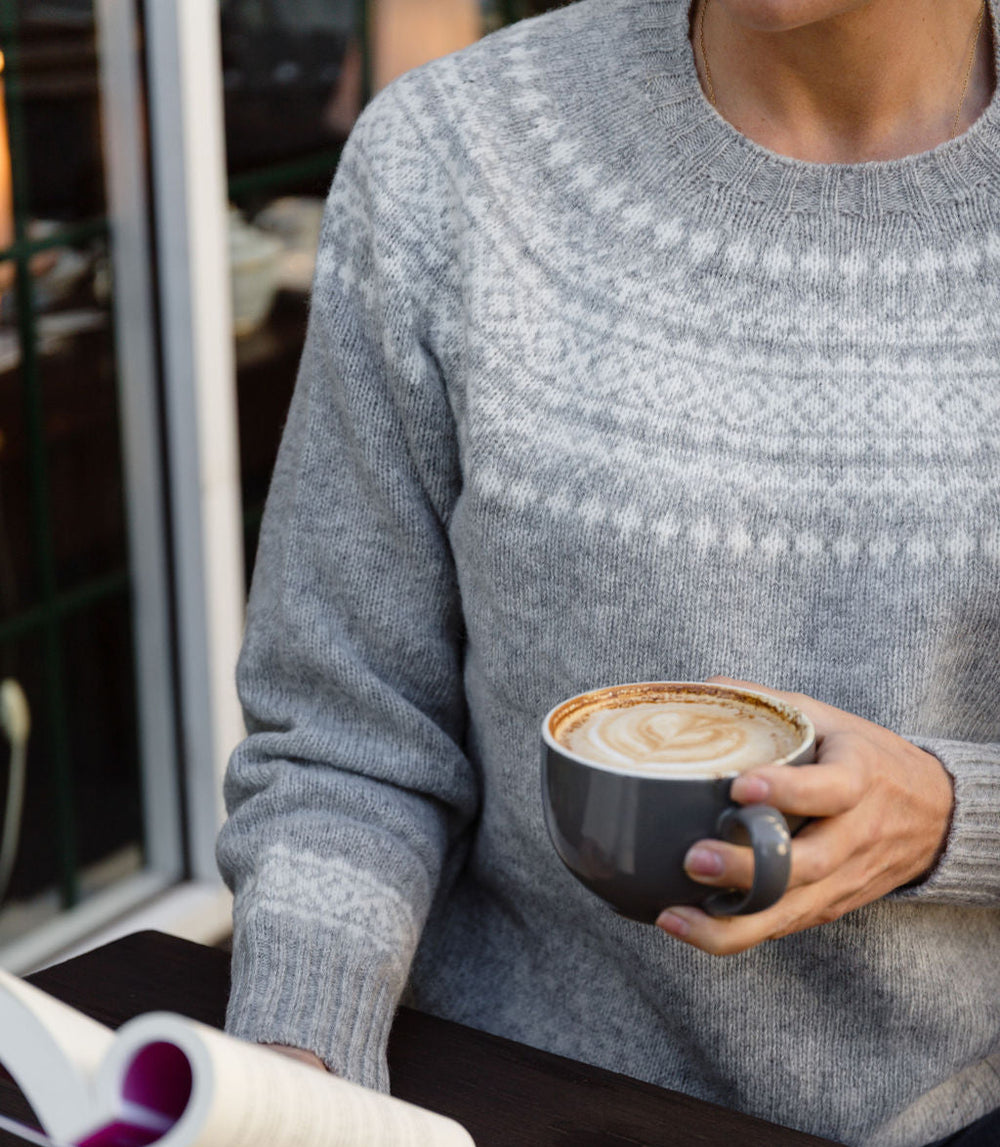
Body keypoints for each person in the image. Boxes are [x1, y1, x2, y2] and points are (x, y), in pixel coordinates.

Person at [216, 1, 1000, 1144]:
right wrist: (293, 1073)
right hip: (503, 1092)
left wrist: (951, 817)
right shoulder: (456, 155)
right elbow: (347, 738)